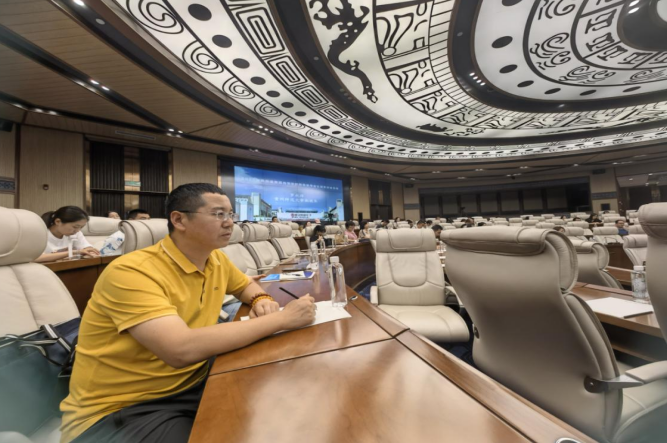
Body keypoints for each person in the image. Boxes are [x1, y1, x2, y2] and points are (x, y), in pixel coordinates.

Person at [60, 183, 316, 443]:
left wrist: (261, 297)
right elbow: (179, 350)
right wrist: (282, 319)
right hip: (125, 408)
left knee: (284, 400)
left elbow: (244, 285)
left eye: (231, 214)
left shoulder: (215, 259)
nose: (229, 223)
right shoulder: (131, 271)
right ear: (179, 220)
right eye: (218, 214)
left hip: (195, 380)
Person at [35, 206, 99, 263]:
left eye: (81, 227)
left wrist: (90, 251)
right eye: (75, 227)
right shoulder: (40, 234)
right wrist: (74, 252)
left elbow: (87, 249)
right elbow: (36, 258)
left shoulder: (76, 233)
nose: (78, 230)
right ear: (58, 222)